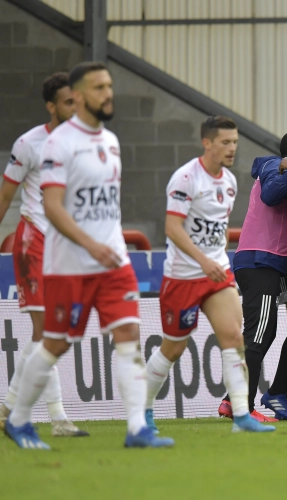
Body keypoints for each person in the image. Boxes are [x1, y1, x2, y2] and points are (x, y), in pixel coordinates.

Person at [3, 62, 173, 449]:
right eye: (99, 87)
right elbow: (53, 207)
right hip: (70, 264)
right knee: (55, 342)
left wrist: (108, 244)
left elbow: (104, 206)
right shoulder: (56, 144)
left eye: (110, 85)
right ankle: (17, 419)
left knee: (129, 335)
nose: (108, 93)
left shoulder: (110, 141)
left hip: (112, 262)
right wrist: (89, 243)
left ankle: (136, 429)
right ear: (77, 96)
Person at [143, 116, 274, 434]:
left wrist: (213, 261)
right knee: (172, 348)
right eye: (226, 142)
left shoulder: (229, 181)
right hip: (183, 276)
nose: (232, 149)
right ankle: (141, 410)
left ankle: (241, 415)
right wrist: (202, 261)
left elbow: (214, 232)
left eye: (235, 143)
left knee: (233, 337)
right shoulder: (185, 178)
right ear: (207, 143)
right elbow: (172, 228)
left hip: (217, 273)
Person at [0, 72, 87, 437]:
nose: (75, 108)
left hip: (66, 247)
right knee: (46, 331)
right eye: (69, 102)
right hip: (33, 244)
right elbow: (6, 195)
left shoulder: (86, 143)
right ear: (50, 106)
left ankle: (7, 408)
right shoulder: (29, 143)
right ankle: (58, 418)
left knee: (50, 336)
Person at [218, 132, 287, 422]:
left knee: (264, 333)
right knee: (259, 334)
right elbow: (270, 194)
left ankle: (232, 400)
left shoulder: (286, 166)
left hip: (265, 261)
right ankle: (243, 406)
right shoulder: (274, 166)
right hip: (258, 259)